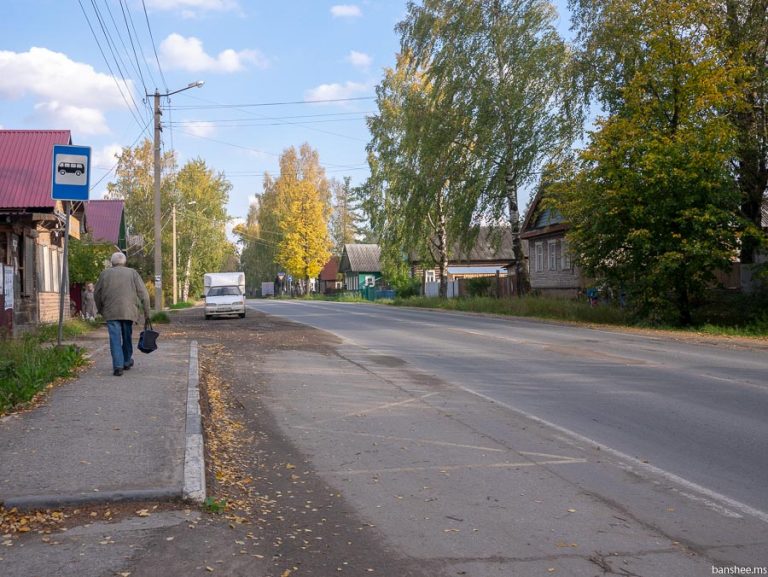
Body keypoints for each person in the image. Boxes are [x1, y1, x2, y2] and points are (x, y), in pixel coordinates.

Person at [94, 252, 151, 376]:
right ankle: (126, 361)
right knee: (127, 336)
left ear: (112, 262)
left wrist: (100, 309)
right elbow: (144, 295)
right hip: (129, 311)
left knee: (114, 338)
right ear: (124, 262)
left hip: (111, 312)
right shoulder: (132, 273)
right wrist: (147, 313)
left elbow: (96, 294)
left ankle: (118, 366)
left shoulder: (104, 274)